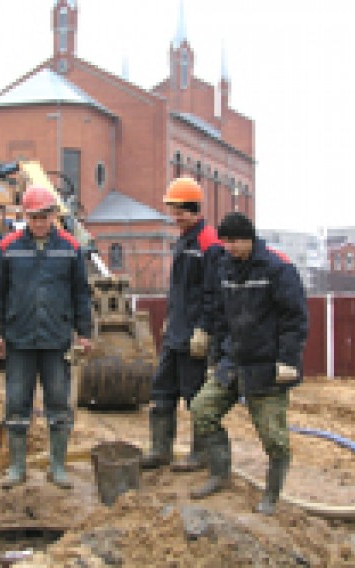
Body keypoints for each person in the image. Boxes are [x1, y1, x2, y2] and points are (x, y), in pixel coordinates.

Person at [189, 212, 308, 515]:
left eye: (233, 242)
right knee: (202, 409)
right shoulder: (225, 268)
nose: (228, 248)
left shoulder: (277, 269)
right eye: (224, 242)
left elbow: (294, 319)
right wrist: (216, 358)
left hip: (267, 367)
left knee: (274, 438)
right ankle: (219, 473)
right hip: (233, 361)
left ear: (248, 239)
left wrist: (288, 360)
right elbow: (220, 316)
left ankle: (271, 495)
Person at [0, 185, 92, 489]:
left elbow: (80, 294)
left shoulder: (70, 247)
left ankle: (57, 466)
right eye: (33, 218)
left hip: (56, 339)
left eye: (44, 217)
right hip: (19, 339)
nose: (39, 223)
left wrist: (84, 332)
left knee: (58, 404)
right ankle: (17, 468)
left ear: (54, 215)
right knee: (17, 404)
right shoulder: (8, 248)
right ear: (25, 217)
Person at [141, 177, 224, 472]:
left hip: (193, 337)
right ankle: (161, 450)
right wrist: (169, 319)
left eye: (179, 211)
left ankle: (200, 454)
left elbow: (214, 292)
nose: (175, 217)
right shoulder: (183, 240)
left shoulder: (208, 243)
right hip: (176, 332)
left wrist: (205, 329)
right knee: (162, 391)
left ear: (194, 209)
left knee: (194, 395)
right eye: (173, 210)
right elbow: (180, 289)